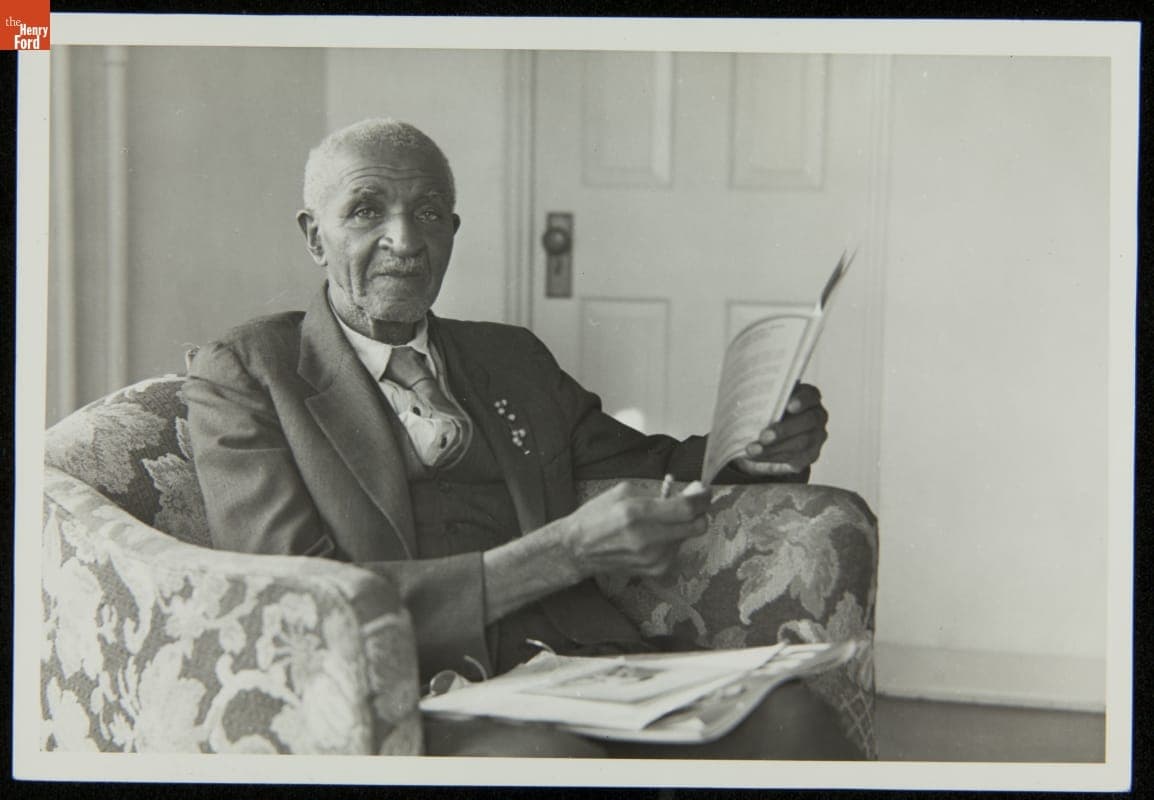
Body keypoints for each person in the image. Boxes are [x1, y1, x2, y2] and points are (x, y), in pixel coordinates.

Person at [185, 118, 850, 759]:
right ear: (314, 237)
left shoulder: (511, 359)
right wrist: (561, 553)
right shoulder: (251, 374)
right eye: (366, 211)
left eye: (429, 213)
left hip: (585, 667)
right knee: (555, 765)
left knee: (794, 722)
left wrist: (757, 451)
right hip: (413, 691)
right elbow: (296, 605)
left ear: (452, 231)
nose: (405, 240)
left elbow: (655, 466)